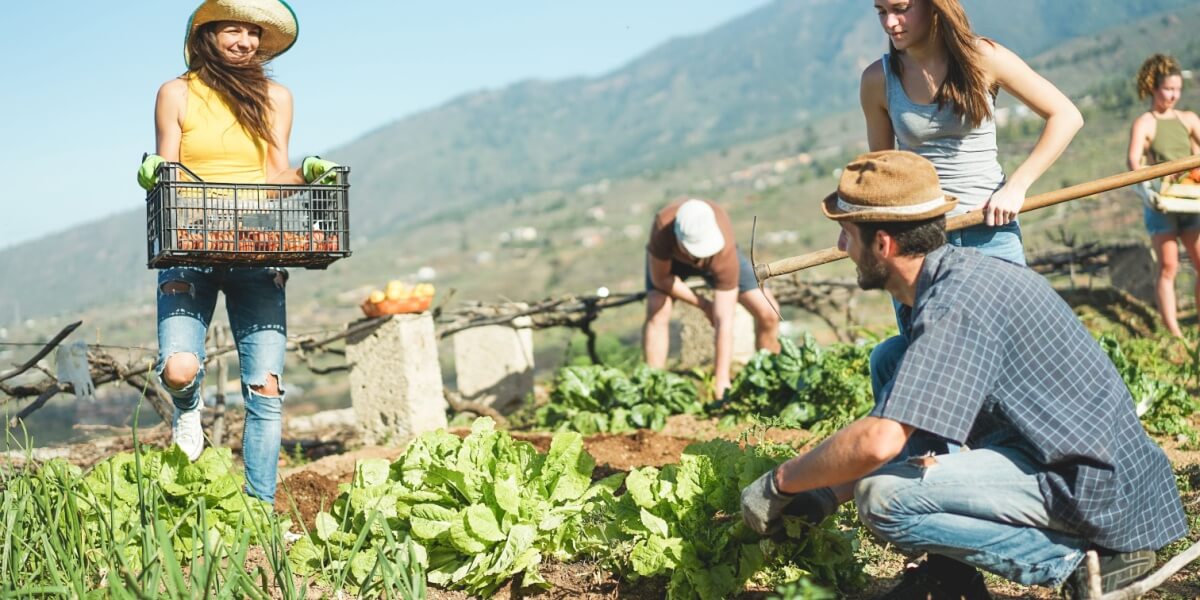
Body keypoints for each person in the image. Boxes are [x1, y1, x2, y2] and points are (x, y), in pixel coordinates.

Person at [739, 151, 1185, 599]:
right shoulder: (953, 280)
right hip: (1062, 456)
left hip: (1093, 487)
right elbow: (905, 421)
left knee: (883, 499)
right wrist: (824, 494)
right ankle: (953, 574)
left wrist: (781, 482)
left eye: (847, 234)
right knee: (892, 358)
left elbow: (880, 441)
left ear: (882, 245)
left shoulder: (956, 304)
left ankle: (1083, 565)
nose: (841, 248)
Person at [136, 0, 339, 504]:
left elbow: (274, 177)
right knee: (179, 367)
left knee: (265, 390)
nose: (246, 41)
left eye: (254, 32)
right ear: (208, 34)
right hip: (192, 245)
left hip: (255, 246)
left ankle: (259, 508)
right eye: (234, 29)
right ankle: (188, 409)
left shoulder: (275, 96)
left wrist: (306, 173)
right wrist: (155, 175)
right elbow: (171, 168)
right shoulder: (176, 93)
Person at [861, 0, 1084, 458]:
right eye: (881, 11)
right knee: (925, 364)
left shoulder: (984, 58)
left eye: (901, 9)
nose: (891, 23)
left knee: (1013, 360)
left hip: (990, 234)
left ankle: (1034, 464)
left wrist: (1016, 187)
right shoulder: (877, 80)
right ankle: (934, 480)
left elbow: (1066, 115)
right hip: (921, 245)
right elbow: (884, 174)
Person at [644, 198, 781, 399]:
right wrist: (704, 304)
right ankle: (653, 389)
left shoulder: (721, 244)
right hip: (671, 264)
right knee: (657, 307)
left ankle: (771, 378)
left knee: (768, 313)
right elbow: (661, 279)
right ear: (679, 240)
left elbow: (724, 320)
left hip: (719, 259)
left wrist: (721, 379)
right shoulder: (662, 227)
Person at [1127, 53, 1200, 337]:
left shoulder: (1188, 118)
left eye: (1177, 90)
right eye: (1168, 89)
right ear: (1154, 88)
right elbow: (1134, 160)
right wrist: (1150, 182)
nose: (1173, 95)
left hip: (1192, 201)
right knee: (1168, 265)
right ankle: (1174, 333)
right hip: (1162, 203)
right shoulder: (1145, 122)